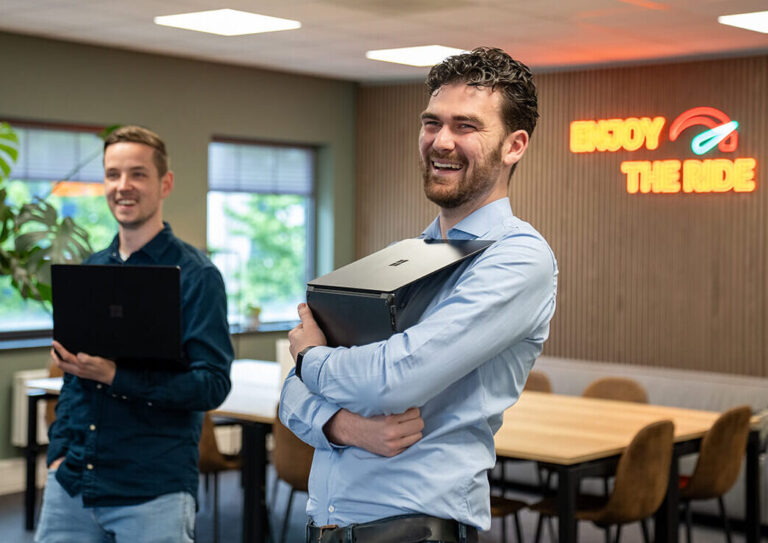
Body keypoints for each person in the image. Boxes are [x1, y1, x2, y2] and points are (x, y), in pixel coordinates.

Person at [280, 47, 558, 543]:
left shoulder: (518, 259)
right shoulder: (406, 257)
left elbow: (394, 377)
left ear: (514, 145)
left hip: (413, 530)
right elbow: (291, 397)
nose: (441, 142)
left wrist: (310, 358)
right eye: (432, 123)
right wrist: (343, 426)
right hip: (328, 525)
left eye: (466, 126)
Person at [36, 126, 234, 543]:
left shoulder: (197, 276)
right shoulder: (90, 270)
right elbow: (74, 378)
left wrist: (113, 376)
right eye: (112, 174)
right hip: (73, 484)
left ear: (165, 183)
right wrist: (57, 456)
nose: (122, 187)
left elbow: (211, 385)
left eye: (137, 174)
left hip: (153, 490)